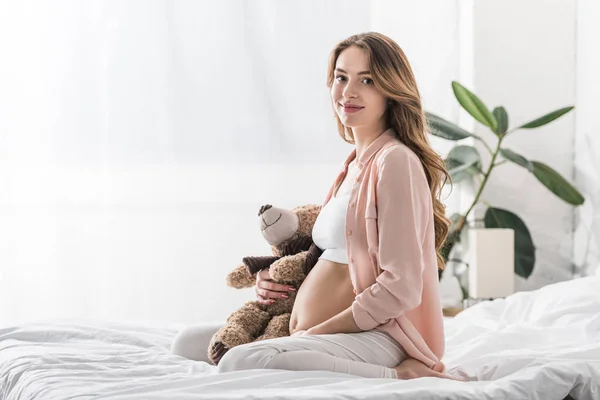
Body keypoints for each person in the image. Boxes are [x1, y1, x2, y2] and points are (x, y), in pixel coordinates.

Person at [171, 32, 458, 381]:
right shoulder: (353, 164)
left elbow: (402, 285)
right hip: (320, 330)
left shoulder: (396, 161)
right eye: (341, 77)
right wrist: (272, 282)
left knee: (239, 362)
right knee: (188, 343)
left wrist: (318, 333)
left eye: (366, 80)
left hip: (379, 334)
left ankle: (402, 375)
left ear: (390, 89)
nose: (348, 91)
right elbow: (328, 258)